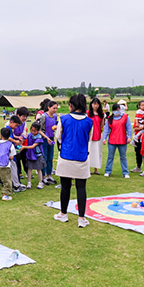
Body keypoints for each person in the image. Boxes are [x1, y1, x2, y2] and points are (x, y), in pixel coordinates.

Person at [52, 94, 94, 228]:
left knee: (65, 187)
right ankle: (81, 218)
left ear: (71, 105)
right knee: (81, 187)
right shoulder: (89, 121)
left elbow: (58, 136)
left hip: (66, 156)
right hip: (81, 157)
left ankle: (63, 214)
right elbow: (89, 139)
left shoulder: (63, 119)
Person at [102, 103, 133, 178]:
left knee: (123, 157)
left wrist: (129, 136)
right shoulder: (110, 119)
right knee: (110, 157)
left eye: (118, 110)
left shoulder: (125, 117)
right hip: (112, 141)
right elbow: (106, 129)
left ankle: (125, 172)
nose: (117, 111)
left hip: (122, 140)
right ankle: (108, 171)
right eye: (115, 110)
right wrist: (104, 138)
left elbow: (129, 127)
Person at [36, 100, 59, 185]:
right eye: (54, 108)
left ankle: (49, 175)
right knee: (44, 158)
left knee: (50, 157)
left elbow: (55, 124)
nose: (55, 110)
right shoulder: (43, 116)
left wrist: (56, 126)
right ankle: (43, 176)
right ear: (49, 107)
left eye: (56, 108)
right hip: (44, 140)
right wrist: (47, 138)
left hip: (51, 139)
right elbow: (39, 130)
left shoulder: (55, 116)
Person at [0, 127, 16, 201]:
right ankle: (5, 194)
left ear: (0, 135)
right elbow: (11, 156)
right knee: (6, 180)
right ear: (9, 136)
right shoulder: (10, 144)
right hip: (5, 165)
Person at [4, 115, 25, 192]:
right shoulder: (7, 128)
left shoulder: (9, 128)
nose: (16, 127)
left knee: (12, 168)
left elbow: (11, 136)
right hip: (9, 151)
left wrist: (16, 138)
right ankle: (16, 185)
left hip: (10, 150)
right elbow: (7, 137)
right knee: (13, 168)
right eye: (15, 125)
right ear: (11, 122)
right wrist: (15, 141)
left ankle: (14, 184)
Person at [21, 121, 45, 189]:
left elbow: (32, 146)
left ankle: (40, 182)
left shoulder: (39, 138)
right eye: (32, 130)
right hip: (30, 154)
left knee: (39, 169)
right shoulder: (29, 135)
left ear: (38, 131)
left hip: (38, 155)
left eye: (35, 131)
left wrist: (24, 147)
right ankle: (29, 182)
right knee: (29, 168)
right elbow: (25, 139)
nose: (33, 132)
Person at [87, 98, 104, 175]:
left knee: (97, 152)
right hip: (90, 136)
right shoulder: (88, 113)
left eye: (97, 104)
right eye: (94, 104)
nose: (96, 105)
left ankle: (96, 169)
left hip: (98, 135)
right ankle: (88, 168)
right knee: (90, 152)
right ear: (91, 104)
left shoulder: (101, 114)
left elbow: (102, 125)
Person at [131, 100, 144, 174]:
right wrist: (139, 127)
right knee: (138, 152)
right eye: (142, 105)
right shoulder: (138, 113)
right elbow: (135, 126)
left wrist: (142, 127)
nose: (143, 107)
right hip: (138, 135)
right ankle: (138, 166)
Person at [12, 107, 29, 181]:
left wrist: (22, 138)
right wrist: (17, 139)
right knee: (16, 159)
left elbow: (24, 133)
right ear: (18, 115)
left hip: (20, 143)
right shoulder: (12, 122)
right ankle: (19, 173)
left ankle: (27, 172)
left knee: (24, 158)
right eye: (23, 116)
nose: (25, 118)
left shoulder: (24, 123)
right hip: (13, 143)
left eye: (26, 116)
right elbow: (10, 133)